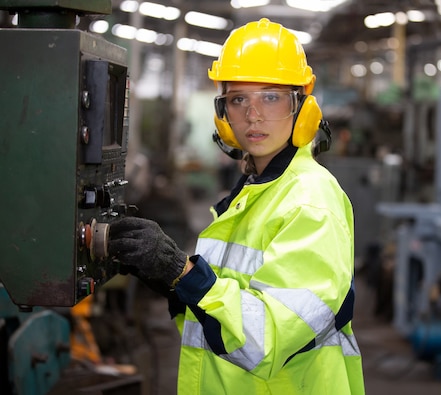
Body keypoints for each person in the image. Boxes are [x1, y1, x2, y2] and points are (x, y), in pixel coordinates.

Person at [108, 18, 365, 394]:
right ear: (223, 112)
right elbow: (222, 313)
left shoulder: (310, 200)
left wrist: (182, 272)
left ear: (303, 106)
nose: (253, 114)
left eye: (271, 96)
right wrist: (169, 280)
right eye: (239, 98)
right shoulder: (256, 190)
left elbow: (265, 341)